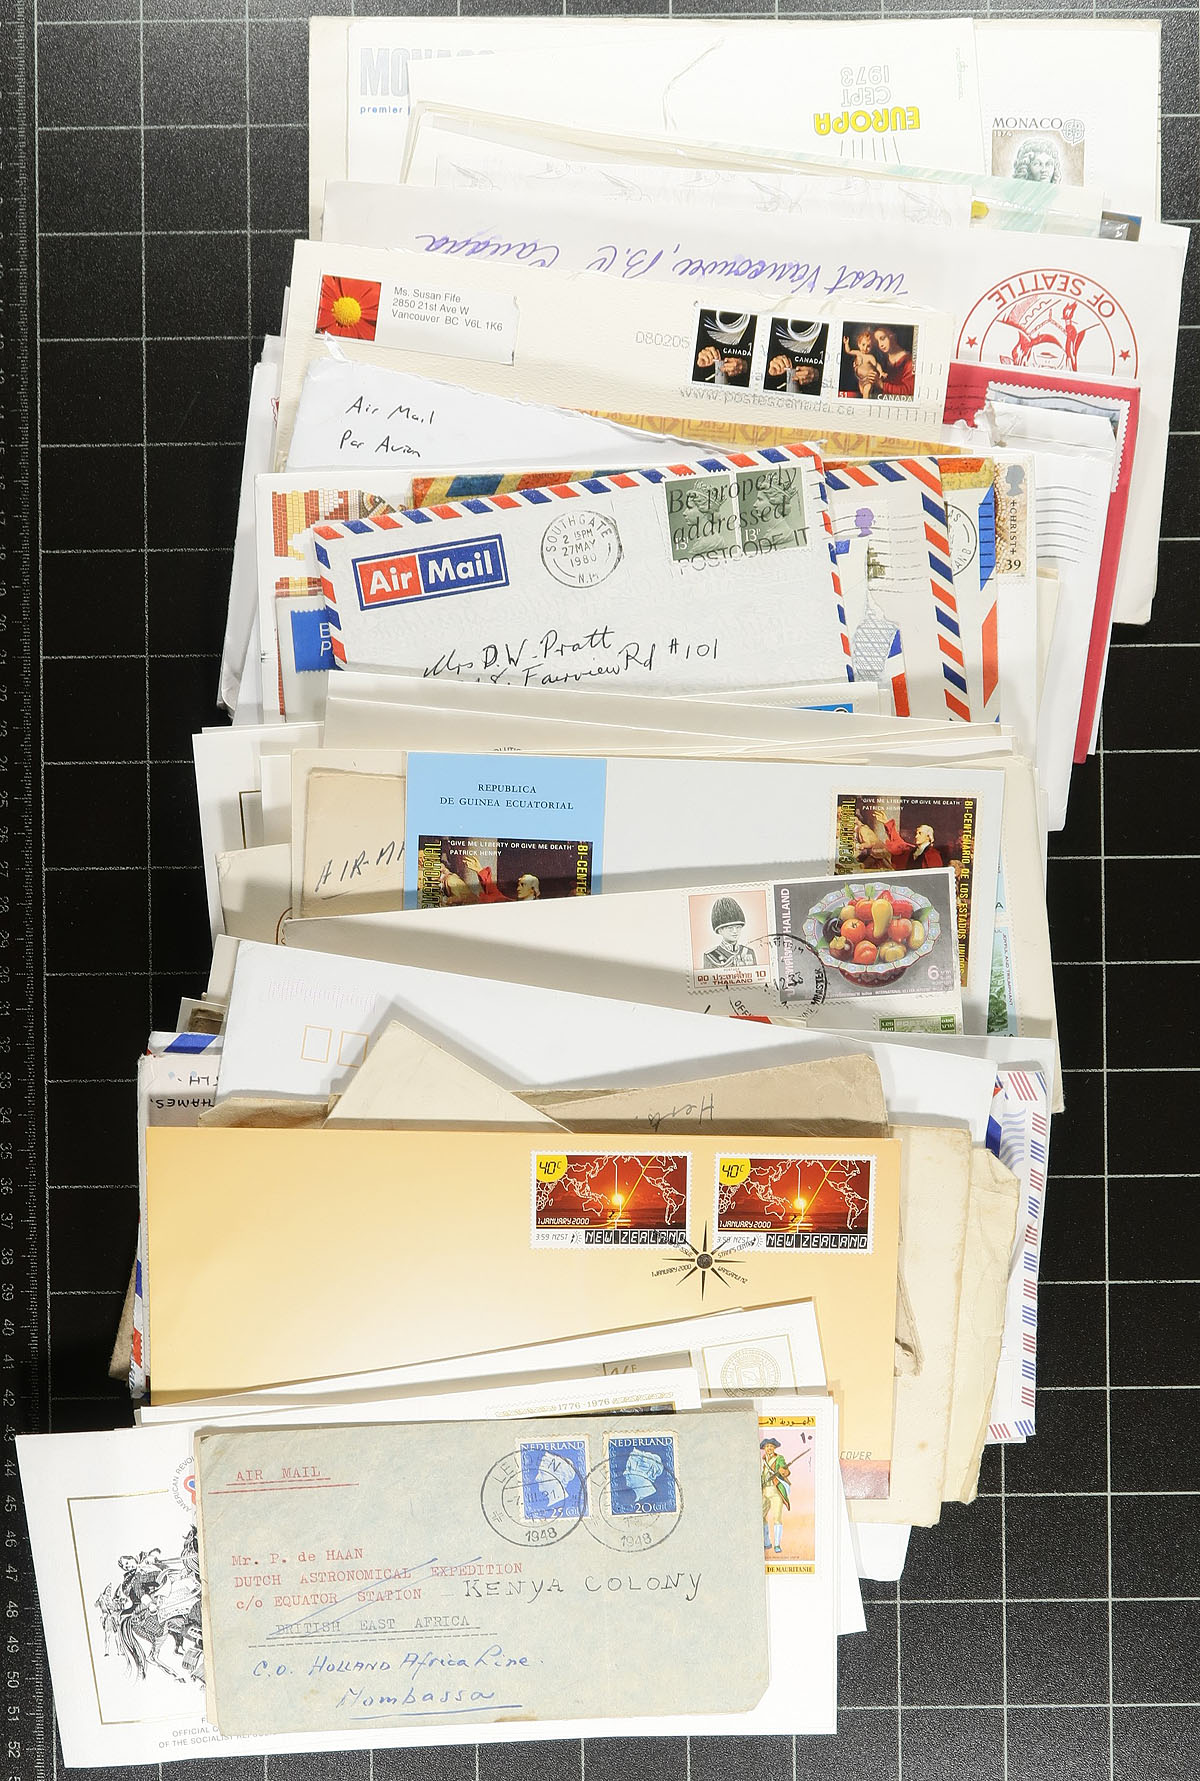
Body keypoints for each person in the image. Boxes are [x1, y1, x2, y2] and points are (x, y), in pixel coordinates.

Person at [702, 895, 759, 970]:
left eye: (738, 927)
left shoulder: (749, 952)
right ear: (720, 930)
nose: (735, 931)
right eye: (730, 928)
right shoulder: (711, 956)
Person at [760, 1437, 792, 1554]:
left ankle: (777, 1545)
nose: (769, 1448)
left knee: (777, 1518)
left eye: (771, 1446)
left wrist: (784, 1471)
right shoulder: (763, 1460)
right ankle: (766, 1542)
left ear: (774, 1448)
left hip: (775, 1491)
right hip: (765, 1491)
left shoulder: (779, 1458)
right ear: (764, 1448)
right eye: (767, 1446)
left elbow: (786, 1471)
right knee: (761, 1516)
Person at [872, 325, 915, 398]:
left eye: (882, 338)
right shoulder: (882, 361)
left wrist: (882, 385)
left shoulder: (909, 361)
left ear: (893, 336)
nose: (880, 345)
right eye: (877, 342)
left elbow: (909, 392)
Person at [841, 327, 884, 398]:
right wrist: (846, 343)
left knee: (866, 392)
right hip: (860, 380)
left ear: (871, 347)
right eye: (863, 345)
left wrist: (881, 372)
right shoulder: (858, 353)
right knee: (862, 392)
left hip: (869, 379)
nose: (865, 348)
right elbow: (848, 351)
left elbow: (876, 365)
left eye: (868, 346)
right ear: (859, 344)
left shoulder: (870, 357)